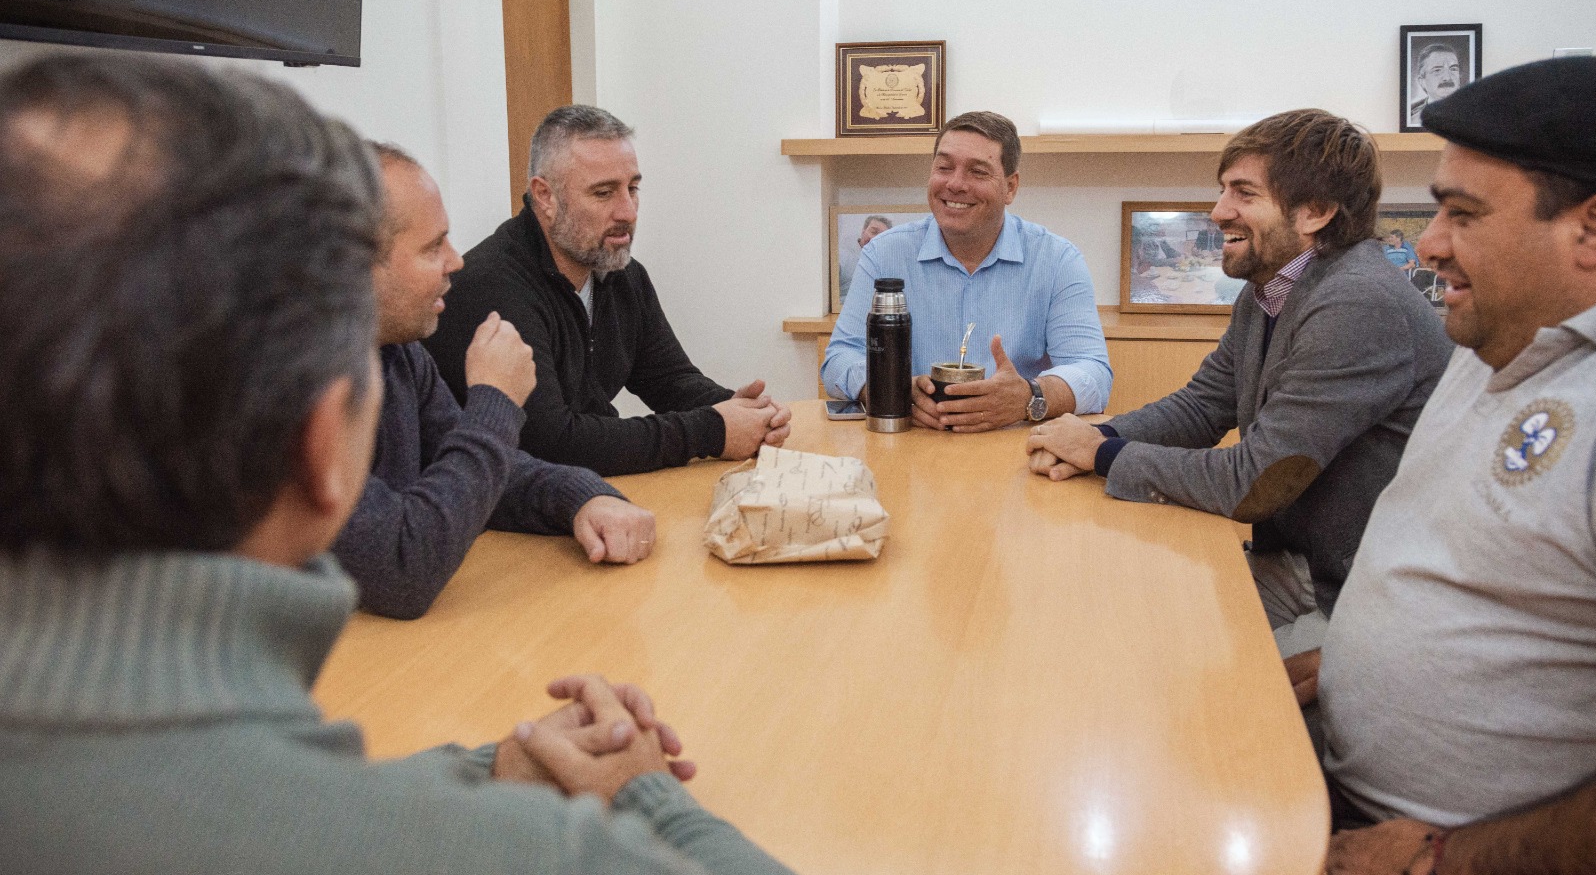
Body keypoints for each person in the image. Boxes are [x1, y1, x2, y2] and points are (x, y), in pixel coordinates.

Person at [0, 54, 843, 875]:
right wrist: (648, 796)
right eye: (433, 247)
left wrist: (484, 766)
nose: (455, 261)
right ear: (322, 448)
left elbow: (240, 793)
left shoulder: (408, 348)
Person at [1298, 57, 1596, 875]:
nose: (1426, 243)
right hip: (1359, 789)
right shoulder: (1491, 342)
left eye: (1462, 215)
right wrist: (1354, 660)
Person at [1025, 110, 1452, 639]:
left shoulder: (1357, 303)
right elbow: (1201, 407)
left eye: (1243, 194)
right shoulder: (1270, 289)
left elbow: (1254, 482)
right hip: (1297, 565)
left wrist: (1098, 454)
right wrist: (1098, 435)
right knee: (1111, 615)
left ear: (1315, 212)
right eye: (1223, 190)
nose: (1218, 210)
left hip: (1357, 598)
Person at [330, 143, 656, 620]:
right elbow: (403, 570)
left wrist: (582, 498)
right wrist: (496, 400)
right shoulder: (280, 384)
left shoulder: (397, 353)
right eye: (431, 247)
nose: (456, 261)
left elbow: (486, 472)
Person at [424, 105, 790, 477]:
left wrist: (744, 410)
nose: (628, 211)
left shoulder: (622, 274)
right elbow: (552, 442)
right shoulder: (494, 288)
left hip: (576, 499)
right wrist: (713, 429)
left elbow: (669, 379)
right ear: (544, 196)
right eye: (604, 193)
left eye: (633, 188)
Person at [821, 110, 1112, 432]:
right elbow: (840, 358)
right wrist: (893, 391)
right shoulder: (884, 254)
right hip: (912, 444)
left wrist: (1029, 396)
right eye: (944, 168)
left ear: (1010, 187)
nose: (955, 184)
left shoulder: (1057, 260)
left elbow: (1093, 372)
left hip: (1014, 448)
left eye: (977, 172)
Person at [1408, 42, 1463, 126]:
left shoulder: (1473, 113)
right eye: (1437, 70)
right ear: (1422, 81)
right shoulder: (1410, 116)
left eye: (1453, 69)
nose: (1447, 77)